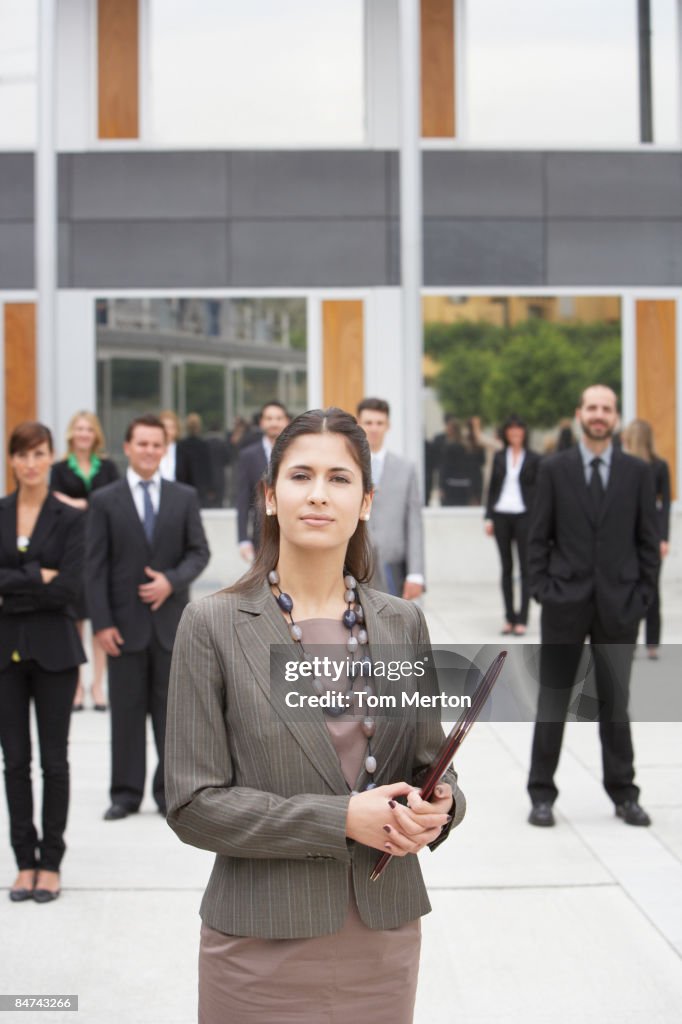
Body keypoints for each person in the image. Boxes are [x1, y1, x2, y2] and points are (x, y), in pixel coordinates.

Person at [165, 407, 465, 1024]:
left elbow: (430, 765)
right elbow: (193, 804)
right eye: (301, 476)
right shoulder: (212, 624)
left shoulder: (401, 623)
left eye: (340, 478)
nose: (319, 495)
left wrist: (442, 807)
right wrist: (341, 819)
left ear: (366, 501)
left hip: (382, 937)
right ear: (271, 497)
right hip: (260, 942)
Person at [527, 385, 659, 828]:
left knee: (615, 703)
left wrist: (642, 597)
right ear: (579, 413)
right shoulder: (553, 469)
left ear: (616, 418)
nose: (599, 415)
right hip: (564, 601)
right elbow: (537, 536)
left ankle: (624, 794)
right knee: (553, 700)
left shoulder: (639, 473)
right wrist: (542, 589)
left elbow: (647, 541)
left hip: (620, 606)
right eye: (592, 408)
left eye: (606, 409)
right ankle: (541, 794)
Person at [85, 414, 210, 821]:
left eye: (157, 445)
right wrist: (101, 623)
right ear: (127, 447)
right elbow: (95, 566)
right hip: (122, 627)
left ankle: (166, 793)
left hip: (171, 627)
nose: (149, 451)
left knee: (171, 718)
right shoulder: (105, 500)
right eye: (142, 444)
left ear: (165, 448)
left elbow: (199, 552)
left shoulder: (183, 496)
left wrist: (170, 582)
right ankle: (124, 793)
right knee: (125, 714)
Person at [0, 422, 86, 903]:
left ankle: (50, 861)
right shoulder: (1, 512)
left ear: (51, 457)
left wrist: (12, 583)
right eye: (22, 455)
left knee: (54, 762)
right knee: (14, 762)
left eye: (38, 454)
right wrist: (38, 576)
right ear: (11, 460)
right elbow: (48, 583)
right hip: (6, 653)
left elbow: (71, 588)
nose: (30, 463)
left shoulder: (70, 517)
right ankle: (24, 861)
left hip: (55, 653)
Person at [50, 410, 119, 710]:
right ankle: (77, 685)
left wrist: (82, 504)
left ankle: (97, 686)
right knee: (75, 622)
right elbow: (51, 501)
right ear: (71, 434)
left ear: (95, 435)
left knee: (100, 621)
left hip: (103, 549)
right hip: (73, 550)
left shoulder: (107, 467)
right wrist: (81, 504)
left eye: (88, 429)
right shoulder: (60, 469)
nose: (83, 434)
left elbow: (117, 501)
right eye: (78, 429)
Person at [356, 398, 424, 600]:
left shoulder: (406, 468)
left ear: (388, 426)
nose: (374, 429)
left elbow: (414, 522)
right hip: (354, 562)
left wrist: (416, 573)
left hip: (393, 565)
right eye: (368, 423)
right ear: (359, 424)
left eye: (379, 423)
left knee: (393, 626)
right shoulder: (347, 466)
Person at [484, 414, 540, 636]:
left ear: (524, 433)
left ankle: (522, 619)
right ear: (506, 433)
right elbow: (492, 488)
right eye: (511, 430)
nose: (515, 434)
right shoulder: (499, 457)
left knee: (526, 568)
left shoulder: (535, 459)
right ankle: (509, 617)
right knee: (506, 567)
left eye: (519, 430)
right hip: (501, 515)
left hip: (525, 516)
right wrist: (488, 517)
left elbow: (539, 491)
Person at [621, 419, 671, 659]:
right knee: (633, 587)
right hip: (630, 533)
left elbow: (665, 506)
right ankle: (635, 640)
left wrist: (663, 537)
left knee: (647, 588)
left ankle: (649, 641)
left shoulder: (659, 466)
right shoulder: (625, 465)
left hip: (647, 534)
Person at [236, 400, 289, 562]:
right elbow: (243, 499)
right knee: (264, 585)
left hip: (293, 532)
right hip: (261, 536)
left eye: (279, 418)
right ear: (261, 422)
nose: (274, 422)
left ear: (286, 421)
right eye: (269, 418)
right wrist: (243, 539)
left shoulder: (298, 452)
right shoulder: (248, 455)